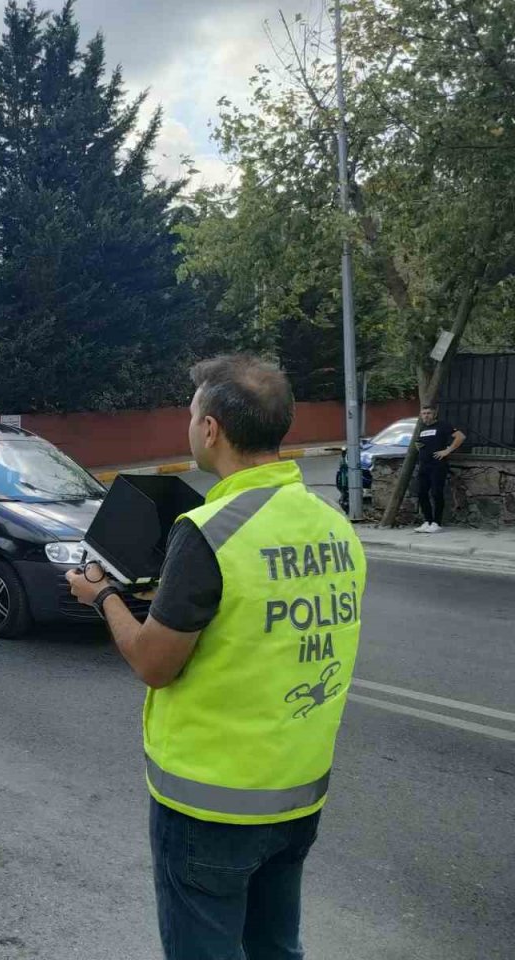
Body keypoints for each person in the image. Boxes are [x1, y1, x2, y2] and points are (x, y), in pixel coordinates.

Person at [66, 355, 367, 960]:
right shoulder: (333, 522)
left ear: (211, 429)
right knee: (277, 949)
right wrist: (174, 597)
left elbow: (154, 664)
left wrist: (102, 597)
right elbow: (260, 615)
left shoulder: (210, 530)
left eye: (191, 416)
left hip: (210, 808)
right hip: (298, 795)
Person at [414, 406, 465, 533]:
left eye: (428, 413)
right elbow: (419, 443)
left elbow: (460, 437)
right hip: (424, 465)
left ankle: (437, 522)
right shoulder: (422, 428)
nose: (426, 415)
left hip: (437, 465)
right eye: (424, 413)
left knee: (436, 493)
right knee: (421, 493)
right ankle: (427, 521)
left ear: (434, 414)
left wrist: (447, 450)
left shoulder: (443, 425)